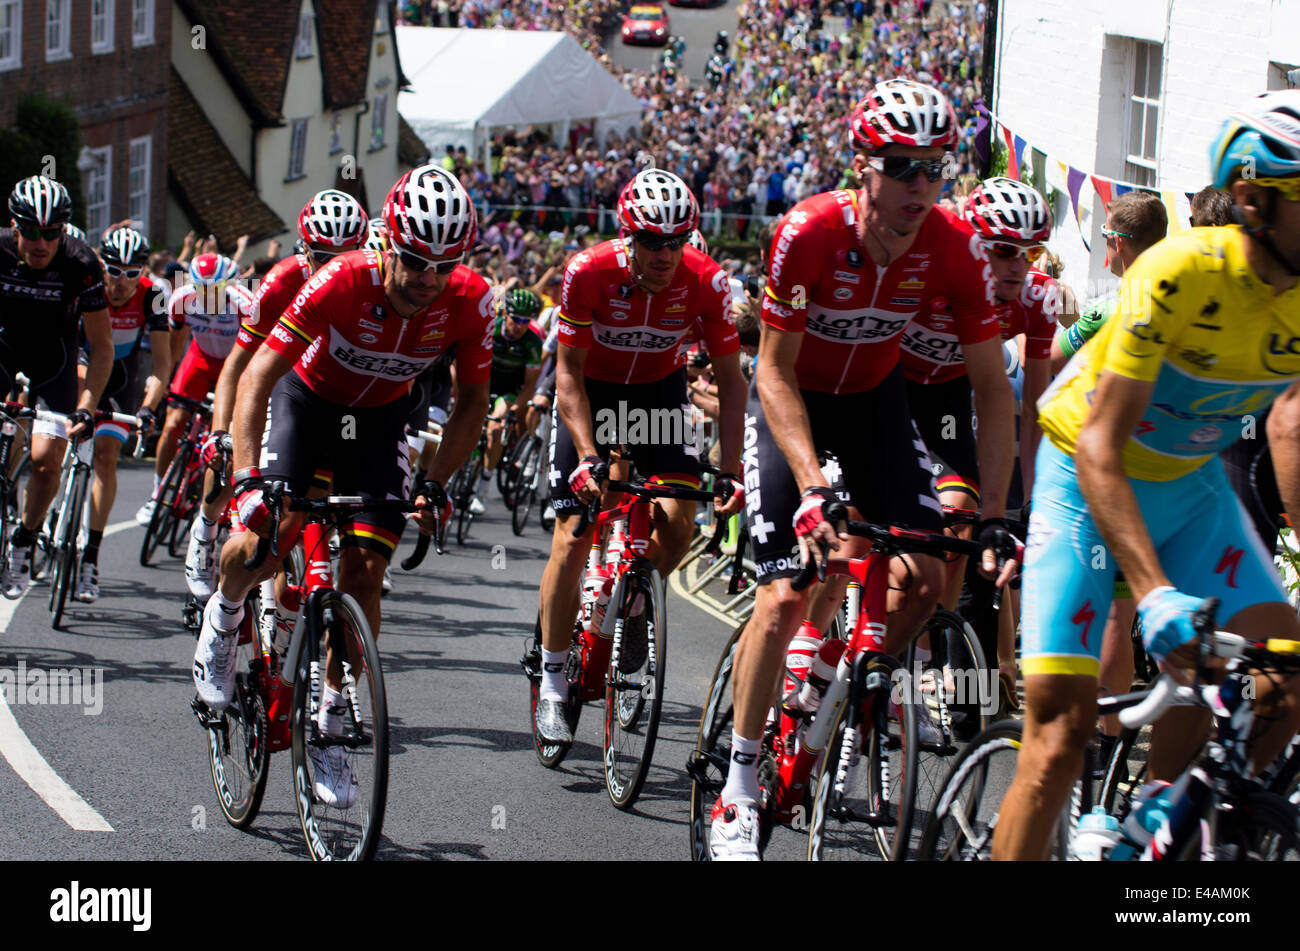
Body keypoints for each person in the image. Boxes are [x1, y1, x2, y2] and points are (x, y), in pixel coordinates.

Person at [710, 79, 1018, 860]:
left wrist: (993, 516)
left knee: (929, 574)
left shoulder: (955, 247)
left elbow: (992, 387)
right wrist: (813, 487)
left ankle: (841, 685)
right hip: (797, 404)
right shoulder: (806, 233)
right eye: (901, 164)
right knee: (784, 595)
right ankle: (739, 788)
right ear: (863, 166)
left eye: (936, 168)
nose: (921, 184)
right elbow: (772, 373)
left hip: (879, 403)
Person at [993, 90, 1300, 860]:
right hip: (1082, 478)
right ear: (1258, 202)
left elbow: (1293, 424)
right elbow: (1100, 446)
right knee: (1058, 741)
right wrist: (1156, 591)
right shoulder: (1178, 272)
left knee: (1288, 680)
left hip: (1193, 491)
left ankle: (1166, 825)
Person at [192, 165, 492, 806]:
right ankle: (224, 618)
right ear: (387, 245)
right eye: (415, 260)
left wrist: (436, 484)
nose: (428, 279)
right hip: (308, 402)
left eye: (445, 264)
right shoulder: (339, 279)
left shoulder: (469, 300)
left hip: (380, 421)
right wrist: (247, 480)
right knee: (264, 540)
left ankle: (330, 724)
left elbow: (472, 405)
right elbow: (258, 374)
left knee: (364, 574)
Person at [534, 168, 747, 746]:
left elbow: (732, 383)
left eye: (676, 241)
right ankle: (554, 680)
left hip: (659, 396)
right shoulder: (588, 271)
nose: (665, 254)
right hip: (592, 395)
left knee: (679, 524)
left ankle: (634, 600)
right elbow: (568, 374)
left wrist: (731, 469)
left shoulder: (707, 282)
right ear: (627, 237)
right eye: (653, 242)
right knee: (575, 534)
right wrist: (585, 454)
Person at [899, 176, 1058, 710]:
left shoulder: (1037, 299)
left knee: (960, 518)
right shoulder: (932, 272)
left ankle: (933, 641)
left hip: (946, 405)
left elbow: (1033, 412)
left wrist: (1031, 504)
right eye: (1005, 251)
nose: (1019, 265)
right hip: (887, 392)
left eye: (1030, 252)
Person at [183, 190, 368, 599]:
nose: (333, 268)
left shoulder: (370, 288)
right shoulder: (282, 280)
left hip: (320, 396)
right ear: (304, 251)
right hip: (271, 384)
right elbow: (237, 364)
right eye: (323, 256)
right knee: (231, 452)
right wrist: (219, 430)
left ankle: (282, 613)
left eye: (345, 256)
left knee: (299, 511)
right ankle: (205, 526)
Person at [1, 176, 113, 598]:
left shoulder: (82, 265)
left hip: (55, 359)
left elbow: (101, 348)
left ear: (63, 232)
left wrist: (87, 405)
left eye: (51, 234)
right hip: (3, 348)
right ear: (15, 226)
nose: (40, 243)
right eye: (30, 232)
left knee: (47, 463)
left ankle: (24, 540)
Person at [76, 228, 171, 602]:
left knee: (105, 459)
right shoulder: (86, 286)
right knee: (50, 454)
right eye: (113, 270)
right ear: (101, 264)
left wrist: (148, 406)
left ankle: (90, 560)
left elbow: (162, 366)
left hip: (121, 378)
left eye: (132, 273)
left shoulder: (154, 296)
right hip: (81, 366)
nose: (121, 281)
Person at [135, 252, 252, 527]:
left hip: (236, 365)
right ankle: (157, 494)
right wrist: (163, 381)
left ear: (231, 286)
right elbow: (174, 348)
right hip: (199, 360)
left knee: (222, 434)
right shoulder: (181, 298)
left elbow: (256, 353)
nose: (209, 296)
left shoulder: (245, 303)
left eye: (216, 290)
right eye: (203, 289)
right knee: (173, 423)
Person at [484, 288, 545, 480]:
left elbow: (529, 385)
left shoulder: (533, 343)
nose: (520, 326)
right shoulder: (491, 328)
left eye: (526, 321)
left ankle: (483, 486)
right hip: (484, 382)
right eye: (516, 319)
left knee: (495, 429)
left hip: (509, 389)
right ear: (504, 313)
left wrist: (515, 409)